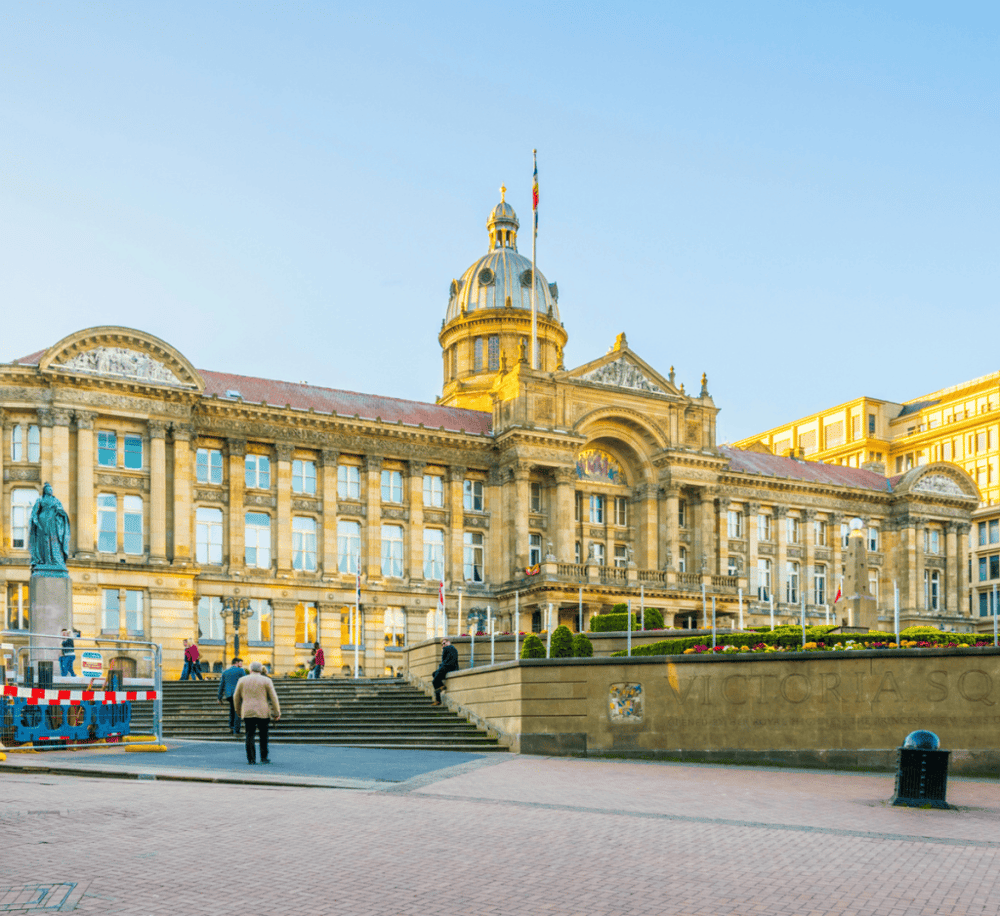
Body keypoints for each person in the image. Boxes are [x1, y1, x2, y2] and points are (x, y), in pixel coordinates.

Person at [233, 660, 281, 765]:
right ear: (260, 669)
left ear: (250, 669)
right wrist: (277, 712)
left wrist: (238, 710)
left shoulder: (242, 680)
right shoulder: (267, 680)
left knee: (249, 734)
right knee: (264, 735)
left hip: (248, 711)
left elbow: (236, 697)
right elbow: (274, 697)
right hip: (263, 711)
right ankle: (264, 757)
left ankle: (251, 759)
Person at [28, 482, 71, 574]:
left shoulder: (56, 501)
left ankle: (55, 560)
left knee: (54, 540)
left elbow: (62, 512)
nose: (50, 491)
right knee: (43, 541)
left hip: (53, 522)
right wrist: (36, 522)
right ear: (45, 490)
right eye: (49, 489)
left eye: (51, 489)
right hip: (42, 521)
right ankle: (44, 560)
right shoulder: (40, 500)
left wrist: (59, 511)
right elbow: (34, 513)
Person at [217, 657, 246, 735]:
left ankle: (231, 727)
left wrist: (219, 697)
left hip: (229, 694)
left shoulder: (225, 671)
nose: (241, 664)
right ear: (236, 662)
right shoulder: (241, 670)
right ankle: (236, 730)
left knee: (232, 710)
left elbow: (221, 685)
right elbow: (245, 682)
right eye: (240, 662)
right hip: (238, 694)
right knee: (238, 711)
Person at [431, 637, 459, 706]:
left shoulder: (446, 648)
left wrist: (441, 667)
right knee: (434, 674)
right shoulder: (454, 649)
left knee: (434, 681)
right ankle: (441, 686)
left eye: (444, 643)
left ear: (448, 642)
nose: (443, 645)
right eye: (442, 644)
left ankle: (438, 699)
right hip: (451, 667)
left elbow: (444, 661)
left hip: (447, 667)